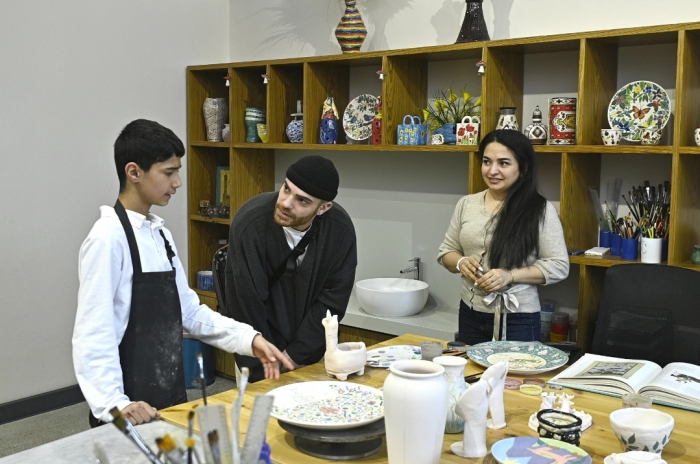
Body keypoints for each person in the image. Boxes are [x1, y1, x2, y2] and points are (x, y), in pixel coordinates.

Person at [73, 119, 293, 427]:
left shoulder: (159, 235)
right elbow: (93, 334)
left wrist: (248, 338)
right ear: (134, 172)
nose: (177, 182)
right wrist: (114, 405)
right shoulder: (107, 238)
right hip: (127, 408)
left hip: (169, 397)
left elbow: (188, 312)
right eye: (169, 172)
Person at [225, 155, 357, 382]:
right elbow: (244, 302)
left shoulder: (340, 231)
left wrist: (295, 356)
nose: (286, 202)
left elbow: (332, 302)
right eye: (286, 189)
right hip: (256, 352)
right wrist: (265, 364)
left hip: (311, 353)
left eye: (302, 200)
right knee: (259, 414)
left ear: (324, 207)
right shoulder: (251, 224)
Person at [437, 129, 569, 345]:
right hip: (470, 313)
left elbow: (558, 266)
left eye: (504, 163)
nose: (493, 171)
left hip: (518, 317)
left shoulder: (540, 209)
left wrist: (510, 275)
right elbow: (446, 252)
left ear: (523, 167)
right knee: (473, 376)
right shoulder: (466, 204)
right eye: (487, 162)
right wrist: (461, 262)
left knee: (516, 378)